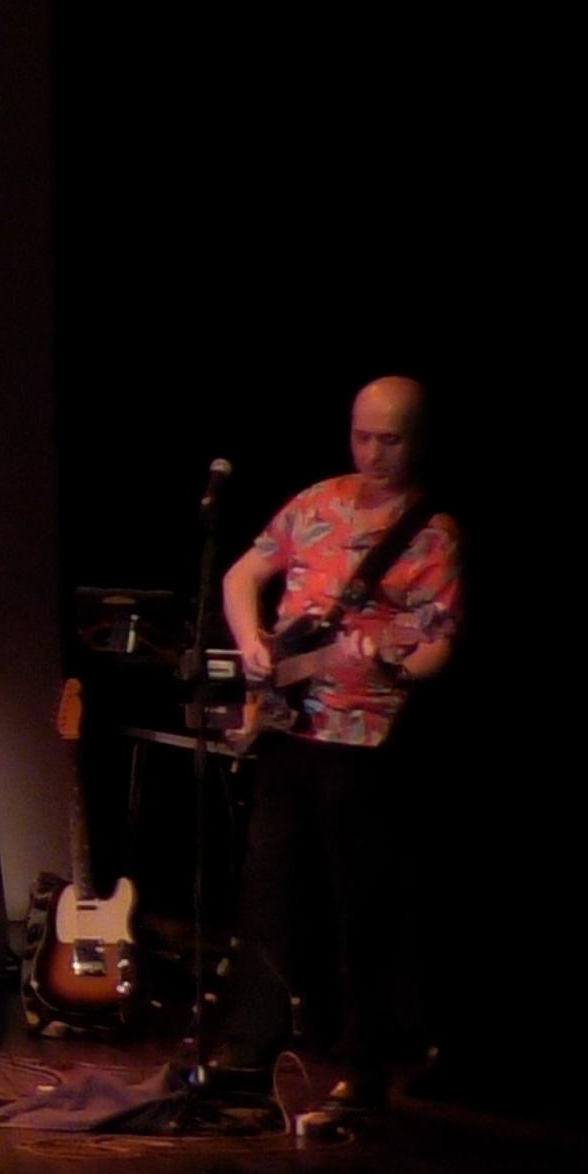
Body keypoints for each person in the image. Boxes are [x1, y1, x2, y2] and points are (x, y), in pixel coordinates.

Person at [211, 377, 463, 1126]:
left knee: (361, 905)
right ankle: (249, 1052)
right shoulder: (316, 501)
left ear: (419, 439)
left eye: (391, 440)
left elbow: (438, 642)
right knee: (268, 888)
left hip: (366, 740)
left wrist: (390, 662)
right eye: (363, 437)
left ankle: (364, 1067)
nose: (375, 453)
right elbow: (242, 574)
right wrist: (253, 642)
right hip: (287, 727)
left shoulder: (431, 532)